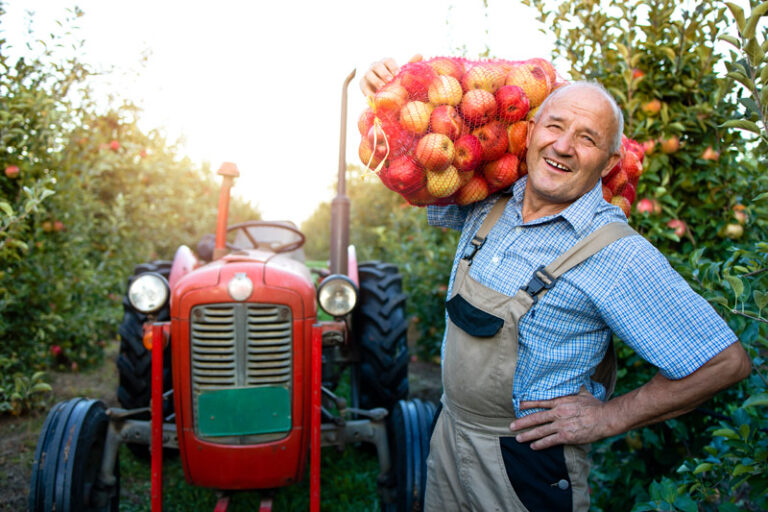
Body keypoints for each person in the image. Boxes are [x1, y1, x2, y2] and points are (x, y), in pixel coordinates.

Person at [361, 58, 751, 511]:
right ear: (528, 132)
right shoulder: (486, 201)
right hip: (449, 435)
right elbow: (411, 165)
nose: (563, 146)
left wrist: (608, 417)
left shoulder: (614, 253)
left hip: (524, 468)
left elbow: (724, 362)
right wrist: (385, 95)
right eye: (555, 126)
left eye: (587, 138)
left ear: (609, 162)